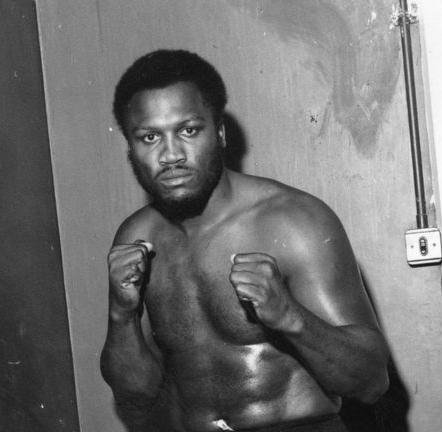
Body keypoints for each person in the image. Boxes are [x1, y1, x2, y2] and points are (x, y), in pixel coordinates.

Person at [101, 49, 390, 432]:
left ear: (219, 132)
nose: (170, 155)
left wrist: (289, 317)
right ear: (130, 150)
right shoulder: (138, 237)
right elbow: (134, 397)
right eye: (150, 137)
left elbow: (370, 383)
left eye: (188, 130)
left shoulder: (294, 222)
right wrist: (121, 314)